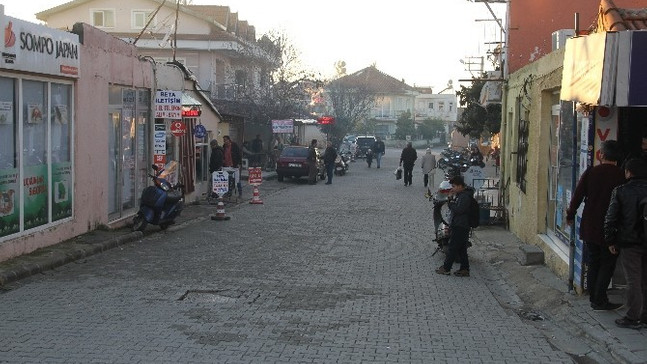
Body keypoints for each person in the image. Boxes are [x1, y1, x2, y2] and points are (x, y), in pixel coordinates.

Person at [566, 140, 625, 311]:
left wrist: (570, 215)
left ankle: (594, 296)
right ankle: (599, 299)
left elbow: (577, 195)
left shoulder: (591, 172)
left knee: (594, 261)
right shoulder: (621, 175)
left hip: (590, 225)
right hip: (611, 227)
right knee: (607, 264)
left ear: (602, 155)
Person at [604, 158, 647, 329]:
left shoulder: (621, 191)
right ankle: (645, 315)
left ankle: (632, 317)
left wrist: (610, 240)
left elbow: (610, 218)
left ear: (628, 172)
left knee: (633, 280)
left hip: (630, 243)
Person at [436, 175, 473, 277]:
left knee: (452, 248)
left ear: (460, 186)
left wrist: (450, 203)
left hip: (461, 225)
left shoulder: (464, 196)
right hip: (460, 224)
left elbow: (459, 210)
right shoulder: (461, 195)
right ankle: (465, 269)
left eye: (454, 186)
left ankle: (446, 268)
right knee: (461, 249)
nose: (453, 188)